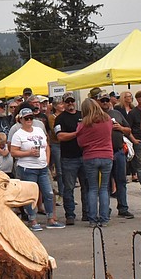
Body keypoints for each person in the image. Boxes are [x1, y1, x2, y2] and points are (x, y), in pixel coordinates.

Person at [11, 106, 62, 231]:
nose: (29, 120)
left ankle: (51, 219)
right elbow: (13, 152)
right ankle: (32, 220)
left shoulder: (39, 130)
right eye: (26, 118)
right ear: (21, 120)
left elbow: (46, 146)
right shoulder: (18, 134)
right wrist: (28, 153)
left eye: (31, 118)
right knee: (31, 195)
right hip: (27, 168)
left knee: (49, 193)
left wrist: (47, 161)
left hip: (42, 167)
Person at [75, 96, 115, 227]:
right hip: (107, 155)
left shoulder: (84, 124)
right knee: (104, 188)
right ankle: (104, 218)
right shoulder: (107, 119)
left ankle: (92, 219)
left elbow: (80, 143)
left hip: (90, 156)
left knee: (92, 189)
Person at [99, 92, 136, 220]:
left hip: (119, 151)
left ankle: (123, 208)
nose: (105, 103)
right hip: (104, 153)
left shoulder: (117, 114)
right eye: (102, 100)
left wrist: (120, 128)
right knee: (105, 184)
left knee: (121, 181)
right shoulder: (96, 116)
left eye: (107, 100)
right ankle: (105, 209)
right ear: (98, 102)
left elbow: (128, 129)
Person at [54, 95, 87, 224]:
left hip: (84, 155)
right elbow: (60, 136)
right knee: (68, 187)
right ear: (63, 103)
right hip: (68, 158)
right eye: (67, 102)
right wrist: (76, 134)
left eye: (72, 101)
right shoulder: (60, 119)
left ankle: (87, 213)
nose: (70, 104)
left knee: (87, 187)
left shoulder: (82, 115)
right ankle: (70, 215)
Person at [126, 91, 141, 195]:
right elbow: (128, 128)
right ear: (139, 99)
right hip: (139, 141)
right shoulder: (133, 113)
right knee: (140, 167)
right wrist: (133, 140)